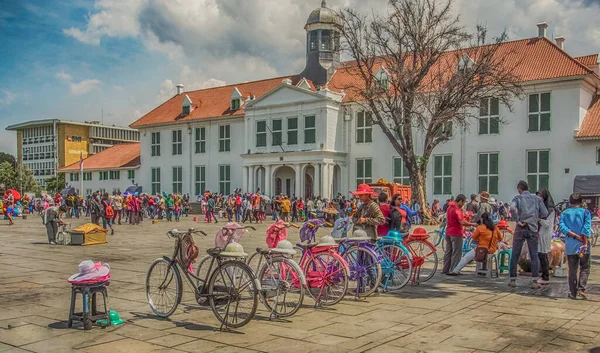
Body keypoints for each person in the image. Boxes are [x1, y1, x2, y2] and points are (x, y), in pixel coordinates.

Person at [509, 180, 548, 289]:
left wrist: (517, 220)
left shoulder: (517, 198)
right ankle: (534, 281)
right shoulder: (537, 199)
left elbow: (512, 208)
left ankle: (512, 280)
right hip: (532, 228)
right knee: (534, 254)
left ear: (519, 189)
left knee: (515, 253)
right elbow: (545, 213)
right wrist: (534, 218)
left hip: (521, 227)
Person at [559, 193, 592, 299]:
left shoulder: (564, 213)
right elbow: (586, 228)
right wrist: (585, 242)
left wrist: (574, 235)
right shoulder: (585, 213)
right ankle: (581, 289)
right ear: (581, 202)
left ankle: (572, 292)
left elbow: (562, 227)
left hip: (570, 246)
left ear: (570, 202)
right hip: (583, 245)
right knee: (585, 268)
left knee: (572, 269)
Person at [443, 194, 477, 275]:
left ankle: (445, 269)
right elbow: (462, 222)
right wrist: (473, 224)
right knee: (457, 252)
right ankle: (454, 269)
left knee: (448, 251)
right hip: (456, 232)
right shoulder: (457, 209)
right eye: (463, 202)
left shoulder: (449, 207)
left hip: (448, 231)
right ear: (460, 201)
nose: (463, 205)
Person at [536, 188, 556, 285]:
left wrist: (539, 219)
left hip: (545, 233)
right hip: (540, 233)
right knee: (541, 254)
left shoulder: (550, 209)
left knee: (543, 254)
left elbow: (547, 224)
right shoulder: (540, 207)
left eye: (540, 195)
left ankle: (545, 276)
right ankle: (544, 275)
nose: (538, 197)